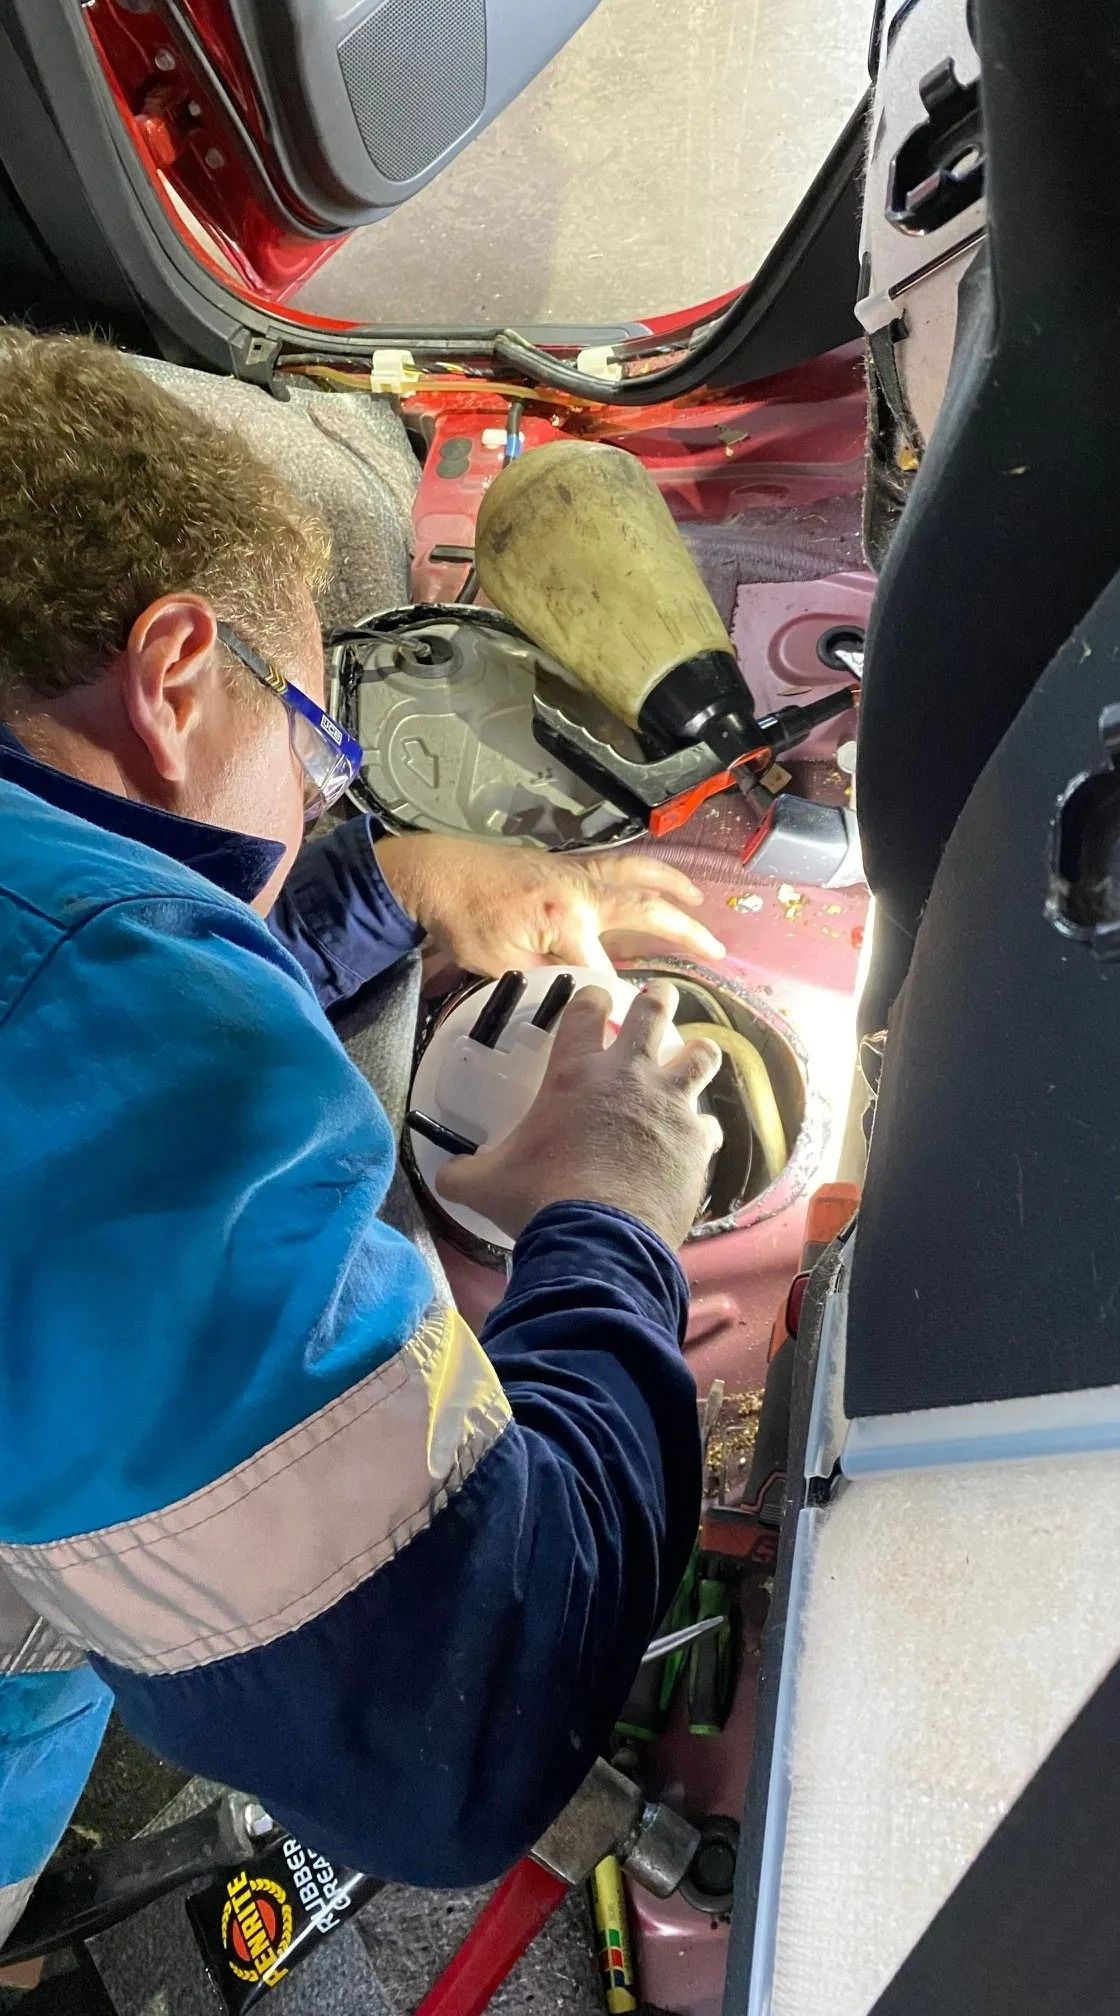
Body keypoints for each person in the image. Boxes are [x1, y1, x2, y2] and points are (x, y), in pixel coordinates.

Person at [0, 328, 726, 1946]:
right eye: (322, 759)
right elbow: (458, 1727)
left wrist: (382, 897)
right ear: (178, 674)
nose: (322, 801)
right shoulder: (72, 1023)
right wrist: (610, 1214)